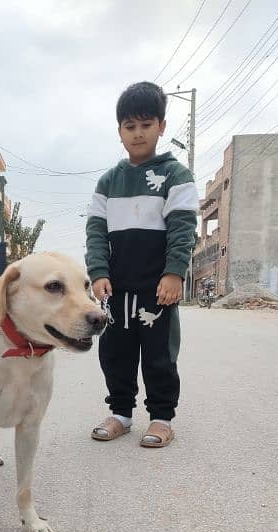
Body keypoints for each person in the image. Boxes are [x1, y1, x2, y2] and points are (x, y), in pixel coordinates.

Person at [86, 81, 198, 447]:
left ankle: (162, 418)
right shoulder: (109, 182)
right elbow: (96, 231)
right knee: (115, 353)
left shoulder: (176, 176)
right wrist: (98, 272)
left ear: (161, 127)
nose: (138, 134)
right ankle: (120, 413)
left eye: (146, 125)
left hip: (158, 290)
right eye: (129, 126)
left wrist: (174, 272)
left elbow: (183, 228)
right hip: (116, 289)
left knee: (159, 356)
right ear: (119, 131)